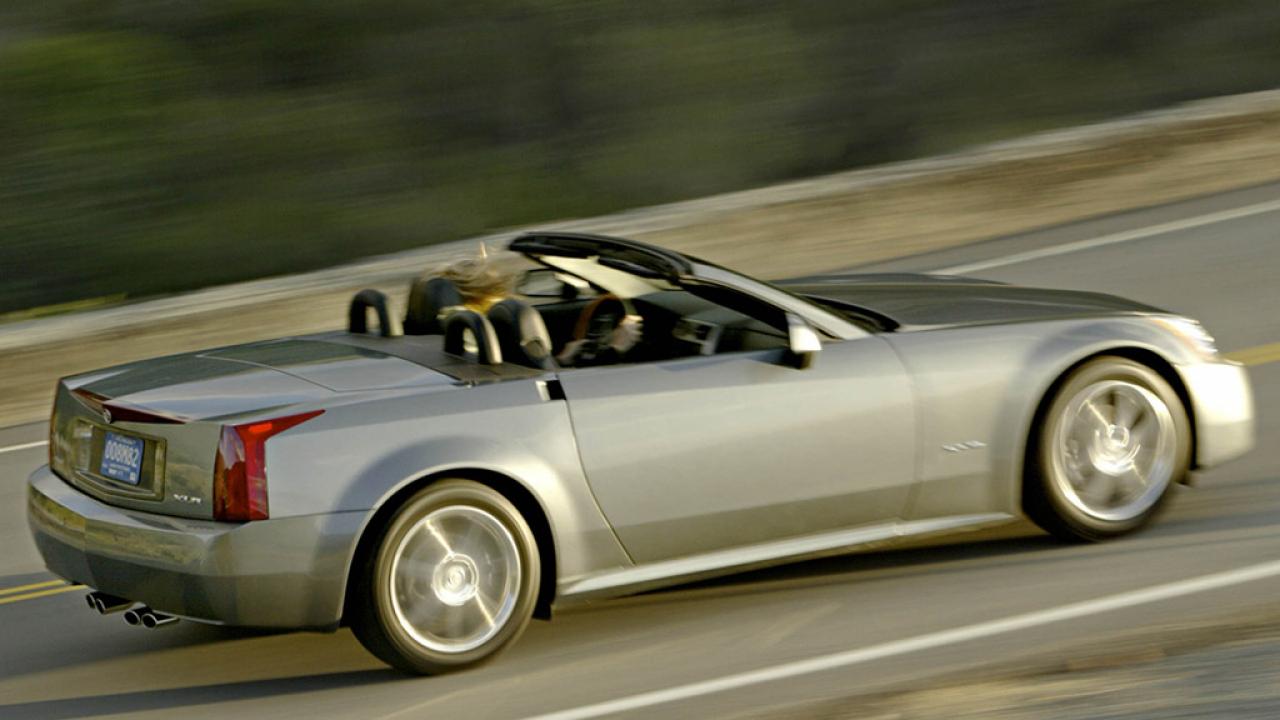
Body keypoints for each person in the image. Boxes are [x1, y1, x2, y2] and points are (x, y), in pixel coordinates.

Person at [434, 248, 642, 366]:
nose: (504, 305)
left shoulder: (450, 337)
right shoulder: (481, 336)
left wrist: (564, 358)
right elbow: (551, 383)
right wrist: (615, 347)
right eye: (500, 296)